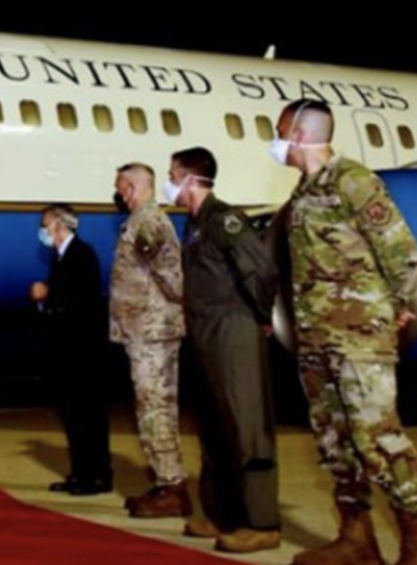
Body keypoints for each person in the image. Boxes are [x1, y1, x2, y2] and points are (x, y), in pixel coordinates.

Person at [273, 99, 417, 565]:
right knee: (335, 443)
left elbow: (401, 250)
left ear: (299, 134)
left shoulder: (354, 180)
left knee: (379, 440)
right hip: (318, 339)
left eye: (280, 131)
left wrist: (400, 305)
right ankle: (356, 540)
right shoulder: (304, 192)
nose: (276, 141)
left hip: (360, 339)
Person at [169, 147, 281, 553]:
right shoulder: (195, 225)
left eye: (173, 176)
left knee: (247, 427)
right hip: (204, 334)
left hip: (233, 331)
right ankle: (223, 515)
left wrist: (262, 315)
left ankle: (262, 523)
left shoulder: (224, 219)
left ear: (191, 179)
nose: (170, 184)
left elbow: (260, 269)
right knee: (214, 428)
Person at [110, 163, 191, 517]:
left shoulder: (148, 222)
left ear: (132, 187)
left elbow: (172, 276)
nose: (120, 195)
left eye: (121, 188)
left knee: (156, 407)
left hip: (153, 333)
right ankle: (165, 481)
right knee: (151, 407)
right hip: (145, 331)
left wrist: (166, 315)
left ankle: (172, 487)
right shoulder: (140, 221)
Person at [30, 204, 112, 495]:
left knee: (88, 416)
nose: (42, 231)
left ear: (59, 225)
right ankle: (80, 473)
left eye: (45, 225)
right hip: (68, 350)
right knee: (74, 416)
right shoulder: (60, 257)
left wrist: (48, 293)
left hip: (83, 351)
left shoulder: (81, 254)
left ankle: (97, 477)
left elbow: (82, 299)